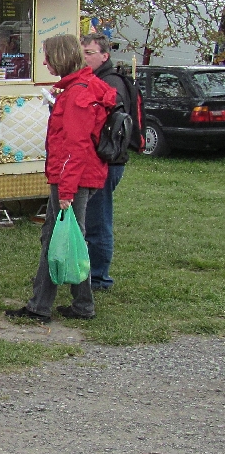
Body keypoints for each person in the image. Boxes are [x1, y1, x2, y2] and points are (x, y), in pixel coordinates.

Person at [7, 34, 116, 323]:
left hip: (73, 178)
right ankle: (79, 304)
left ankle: (42, 306)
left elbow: (75, 147)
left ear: (61, 58)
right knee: (64, 236)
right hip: (78, 176)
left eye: (47, 56)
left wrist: (66, 191)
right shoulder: (82, 88)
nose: (44, 62)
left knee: (60, 238)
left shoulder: (78, 95)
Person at [80, 33, 133, 290]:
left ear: (104, 55)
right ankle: (91, 272)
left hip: (107, 160)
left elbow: (113, 126)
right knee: (91, 217)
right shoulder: (95, 79)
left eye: (90, 53)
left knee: (98, 219)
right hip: (99, 158)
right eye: (83, 53)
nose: (85, 58)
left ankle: (100, 277)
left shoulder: (111, 83)